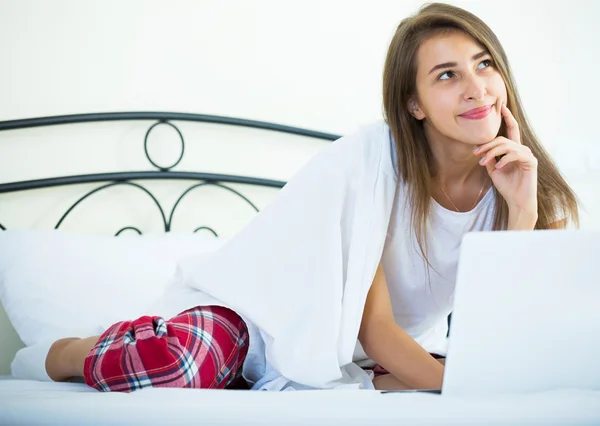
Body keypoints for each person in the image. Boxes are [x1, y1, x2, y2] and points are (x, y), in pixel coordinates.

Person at [44, 2, 579, 392]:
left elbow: (500, 333)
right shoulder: (374, 164)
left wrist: (522, 210)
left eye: (485, 65)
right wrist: (461, 388)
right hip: (253, 316)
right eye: (447, 75)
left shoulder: (524, 185)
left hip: (345, 350)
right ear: (413, 104)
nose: (475, 87)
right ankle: (68, 352)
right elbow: (377, 328)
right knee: (177, 367)